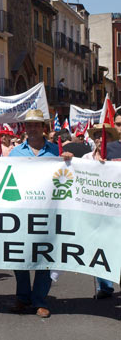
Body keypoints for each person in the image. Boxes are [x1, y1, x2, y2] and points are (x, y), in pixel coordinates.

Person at [8, 109, 73, 318]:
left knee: (45, 255)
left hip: (48, 213)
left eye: (36, 124)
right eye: (29, 125)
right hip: (21, 213)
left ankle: (39, 300)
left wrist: (69, 160)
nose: (32, 128)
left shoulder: (56, 151)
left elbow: (68, 176)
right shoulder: (15, 152)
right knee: (19, 256)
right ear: (25, 128)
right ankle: (23, 296)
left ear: (43, 128)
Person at [85, 124, 119, 298]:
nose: (100, 139)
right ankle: (105, 287)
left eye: (104, 136)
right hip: (94, 213)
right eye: (97, 136)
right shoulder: (85, 158)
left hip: (116, 212)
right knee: (98, 249)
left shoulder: (117, 159)